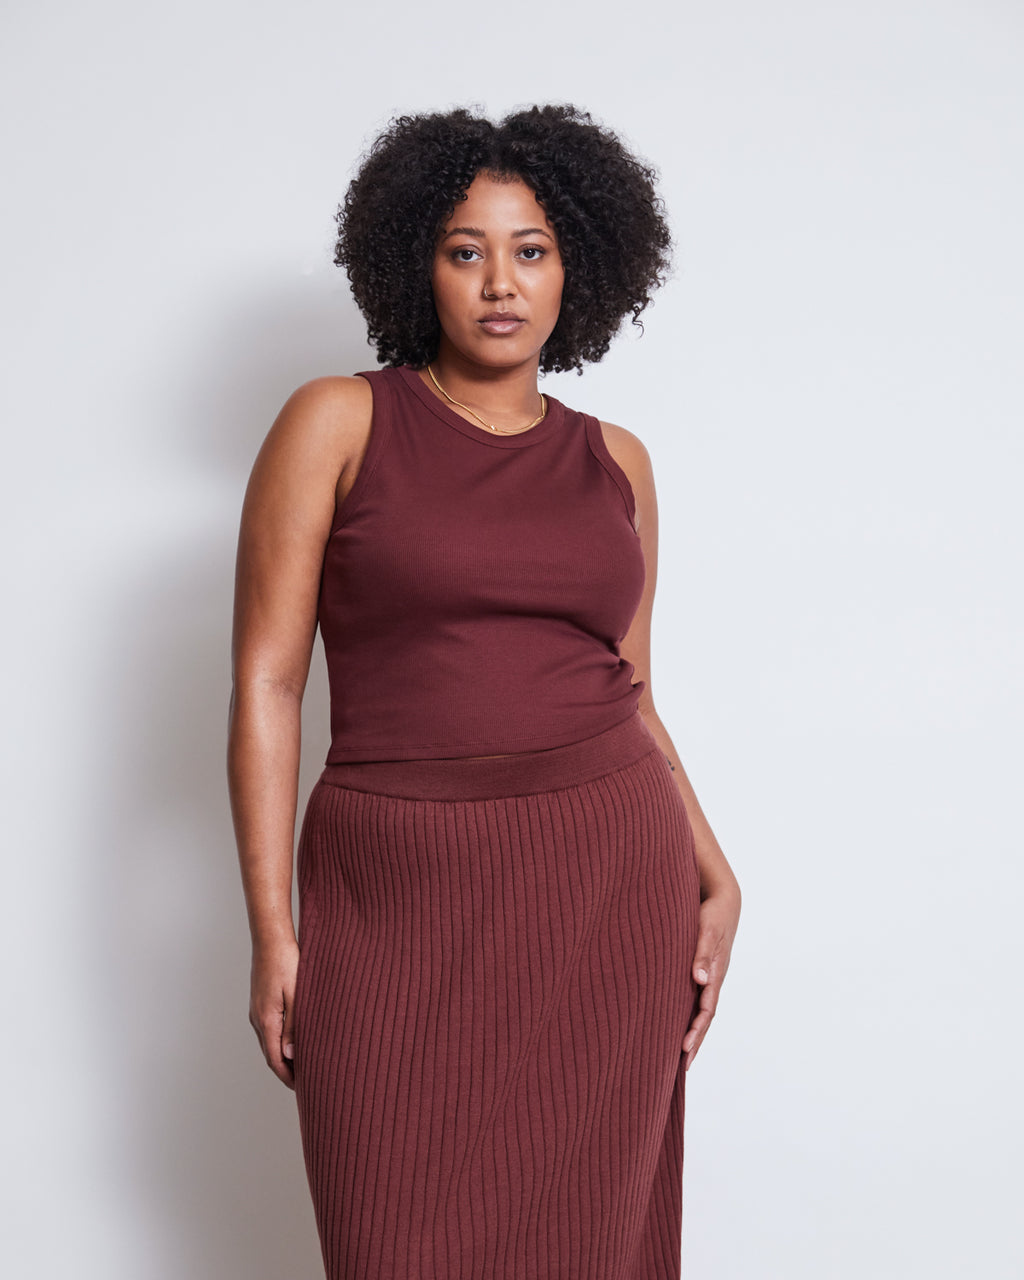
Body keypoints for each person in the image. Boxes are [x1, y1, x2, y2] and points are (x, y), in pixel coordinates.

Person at [227, 104, 741, 1280]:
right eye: (465, 250)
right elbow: (266, 678)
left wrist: (711, 865)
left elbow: (632, 689)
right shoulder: (337, 419)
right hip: (393, 883)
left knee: (588, 1244)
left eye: (531, 250)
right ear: (418, 263)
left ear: (577, 270)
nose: (500, 282)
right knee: (391, 1233)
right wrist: (272, 929)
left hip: (605, 876)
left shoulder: (616, 460)